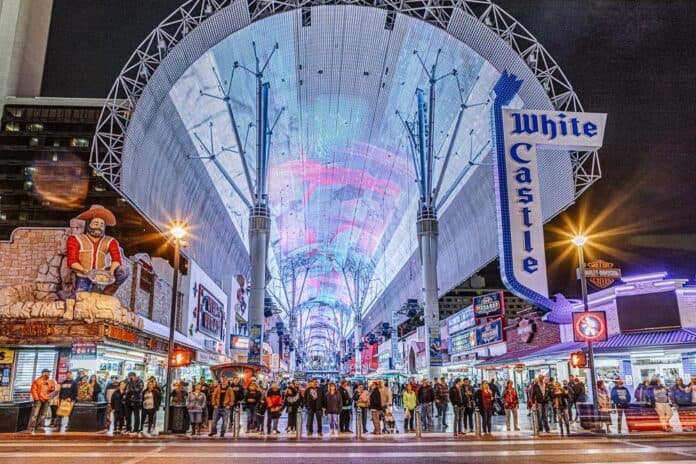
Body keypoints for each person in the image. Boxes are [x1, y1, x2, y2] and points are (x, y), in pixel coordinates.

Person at [65, 204, 130, 296]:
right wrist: (85, 271)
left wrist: (110, 272)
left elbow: (116, 259)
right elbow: (72, 261)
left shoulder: (111, 241)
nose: (99, 227)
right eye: (96, 224)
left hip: (101, 275)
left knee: (124, 269)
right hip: (83, 275)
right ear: (89, 224)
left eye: (102, 225)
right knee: (80, 298)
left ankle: (111, 289)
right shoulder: (75, 239)